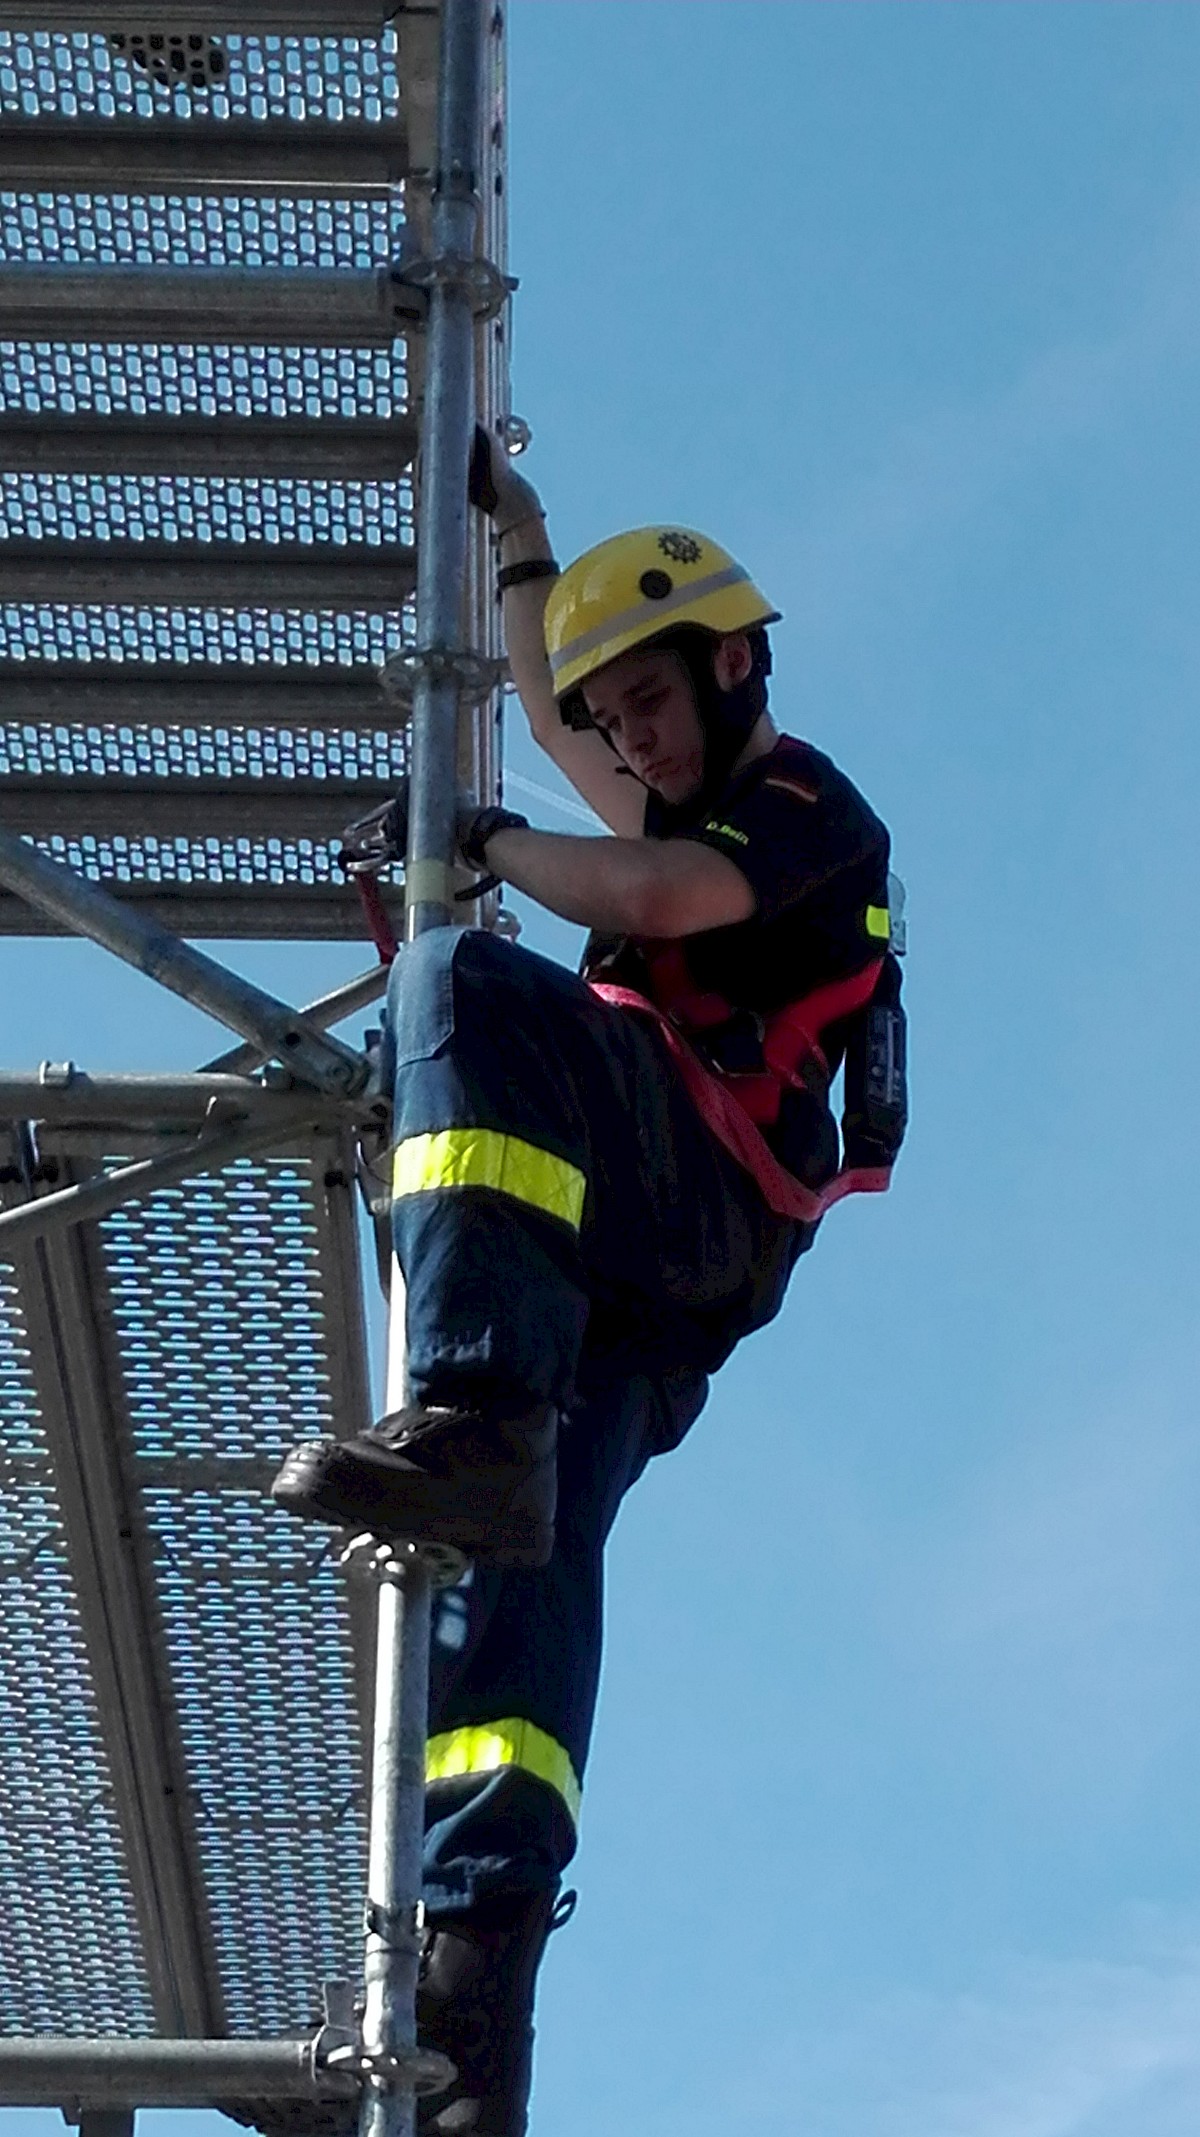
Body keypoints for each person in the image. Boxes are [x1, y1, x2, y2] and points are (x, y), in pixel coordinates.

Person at [272, 431, 908, 2136]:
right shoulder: (668, 765)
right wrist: (524, 533)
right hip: (658, 1270)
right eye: (614, 717)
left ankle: (471, 1398)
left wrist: (475, 844)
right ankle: (463, 2015)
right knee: (523, 1562)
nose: (622, 737)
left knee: (461, 982)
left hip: (694, 1195)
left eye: (650, 703)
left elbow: (651, 888)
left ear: (732, 663)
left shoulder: (800, 810)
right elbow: (557, 711)